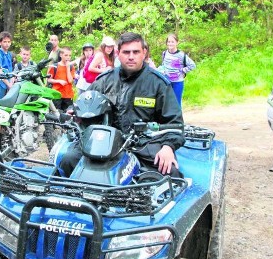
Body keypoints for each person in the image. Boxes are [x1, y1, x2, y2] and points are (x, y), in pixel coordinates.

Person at [58, 32, 184, 178]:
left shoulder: (158, 84)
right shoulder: (105, 80)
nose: (131, 56)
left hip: (143, 144)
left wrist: (168, 147)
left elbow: (175, 124)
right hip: (104, 142)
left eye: (136, 52)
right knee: (68, 160)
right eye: (126, 52)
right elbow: (85, 103)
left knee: (171, 173)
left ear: (144, 53)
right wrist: (72, 111)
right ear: (118, 53)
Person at [158, 33, 196, 107]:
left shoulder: (181, 55)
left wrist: (182, 70)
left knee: (176, 104)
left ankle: (178, 118)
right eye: (169, 42)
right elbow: (164, 65)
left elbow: (193, 65)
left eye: (172, 42)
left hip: (177, 83)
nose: (170, 43)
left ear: (177, 42)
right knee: (166, 104)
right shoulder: (165, 53)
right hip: (166, 82)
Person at [47, 46, 75, 111]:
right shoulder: (55, 66)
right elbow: (49, 79)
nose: (68, 57)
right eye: (66, 55)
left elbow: (70, 80)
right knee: (56, 113)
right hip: (57, 94)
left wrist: (67, 68)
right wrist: (58, 81)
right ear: (61, 55)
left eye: (69, 55)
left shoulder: (71, 67)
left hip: (68, 95)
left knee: (68, 114)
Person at [0, 31, 14, 98]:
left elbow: (11, 70)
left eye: (8, 42)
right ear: (0, 42)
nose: (7, 44)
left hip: (9, 83)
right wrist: (9, 85)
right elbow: (0, 72)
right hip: (0, 84)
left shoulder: (9, 54)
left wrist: (11, 83)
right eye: (4, 42)